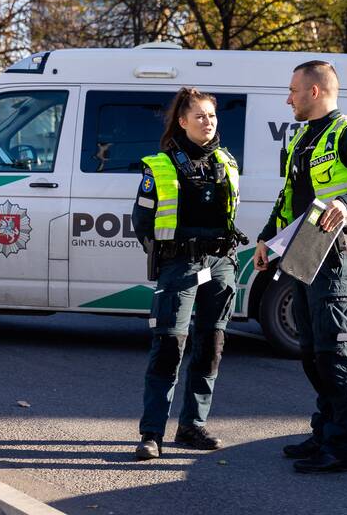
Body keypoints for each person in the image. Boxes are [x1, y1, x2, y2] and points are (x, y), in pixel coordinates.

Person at [254, 61, 347, 474]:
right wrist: (265, 238)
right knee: (312, 352)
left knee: (337, 353)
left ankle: (342, 448)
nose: (288, 97)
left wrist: (345, 204)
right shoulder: (304, 138)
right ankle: (324, 432)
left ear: (314, 91)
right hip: (303, 255)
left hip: (335, 256)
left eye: (294, 89)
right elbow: (289, 198)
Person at [131, 87, 245, 461]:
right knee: (168, 347)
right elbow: (142, 222)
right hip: (181, 266)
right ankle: (152, 434)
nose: (207, 122)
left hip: (221, 264)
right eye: (199, 116)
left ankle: (192, 425)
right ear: (182, 121)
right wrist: (171, 254)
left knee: (210, 346)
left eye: (211, 116)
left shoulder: (226, 161)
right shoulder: (160, 165)